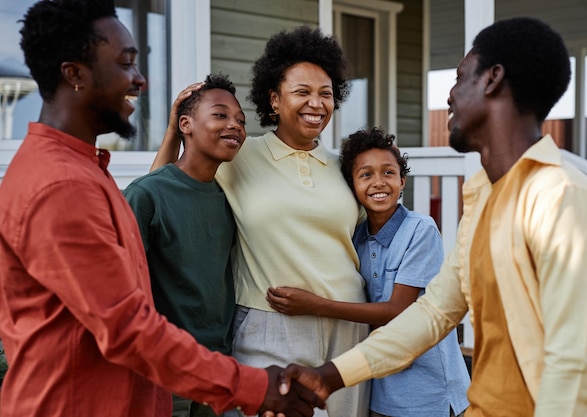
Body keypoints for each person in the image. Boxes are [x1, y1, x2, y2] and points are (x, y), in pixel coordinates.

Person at [278, 17, 587, 416]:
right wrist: (329, 375)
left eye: (460, 78)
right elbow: (432, 314)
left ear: (492, 79)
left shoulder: (562, 199)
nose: (449, 96)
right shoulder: (483, 197)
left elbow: (573, 366)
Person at [0, 1, 323, 416]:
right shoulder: (61, 185)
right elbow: (126, 327)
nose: (139, 80)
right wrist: (254, 385)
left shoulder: (82, 170)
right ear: (74, 74)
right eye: (126, 64)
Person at [152, 25, 370, 417]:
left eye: (326, 94)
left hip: (347, 323)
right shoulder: (239, 154)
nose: (316, 103)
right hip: (270, 323)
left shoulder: (345, 167)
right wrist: (173, 131)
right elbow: (165, 191)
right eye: (302, 92)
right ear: (274, 98)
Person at [266, 126, 470, 417]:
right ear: (352, 185)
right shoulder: (355, 237)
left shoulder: (420, 229)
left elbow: (398, 309)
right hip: (382, 390)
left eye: (388, 173)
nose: (379, 182)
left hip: (430, 390)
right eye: (366, 175)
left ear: (402, 181)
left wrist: (315, 305)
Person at [124, 73, 247, 417]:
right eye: (220, 115)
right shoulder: (146, 194)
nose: (235, 126)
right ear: (185, 124)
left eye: (241, 120)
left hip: (218, 367)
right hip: (163, 371)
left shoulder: (230, 199)